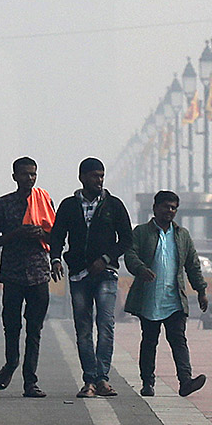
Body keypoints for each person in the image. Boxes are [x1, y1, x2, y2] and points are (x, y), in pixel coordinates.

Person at [50, 157, 132, 398]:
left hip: (106, 274)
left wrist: (106, 259)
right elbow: (57, 236)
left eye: (101, 176)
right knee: (83, 329)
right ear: (82, 177)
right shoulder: (68, 206)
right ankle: (89, 379)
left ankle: (103, 377)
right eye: (95, 176)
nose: (99, 180)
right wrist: (56, 258)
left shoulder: (114, 206)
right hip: (78, 276)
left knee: (105, 325)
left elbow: (126, 239)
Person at [123, 190, 208, 398]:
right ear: (155, 208)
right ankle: (147, 382)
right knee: (150, 341)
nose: (169, 211)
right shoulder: (141, 232)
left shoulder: (182, 235)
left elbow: (193, 264)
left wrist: (201, 290)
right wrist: (140, 269)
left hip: (174, 299)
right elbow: (130, 253)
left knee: (178, 339)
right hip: (149, 299)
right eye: (166, 207)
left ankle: (186, 381)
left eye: (173, 208)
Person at [0, 157, 55, 398]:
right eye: (25, 174)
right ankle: (11, 362)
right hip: (13, 274)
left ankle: (31, 381)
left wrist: (42, 234)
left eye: (33, 174)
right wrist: (15, 234)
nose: (29, 178)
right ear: (14, 176)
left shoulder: (44, 201)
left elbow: (55, 237)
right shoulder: (3, 204)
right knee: (12, 325)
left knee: (35, 329)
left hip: (39, 274)